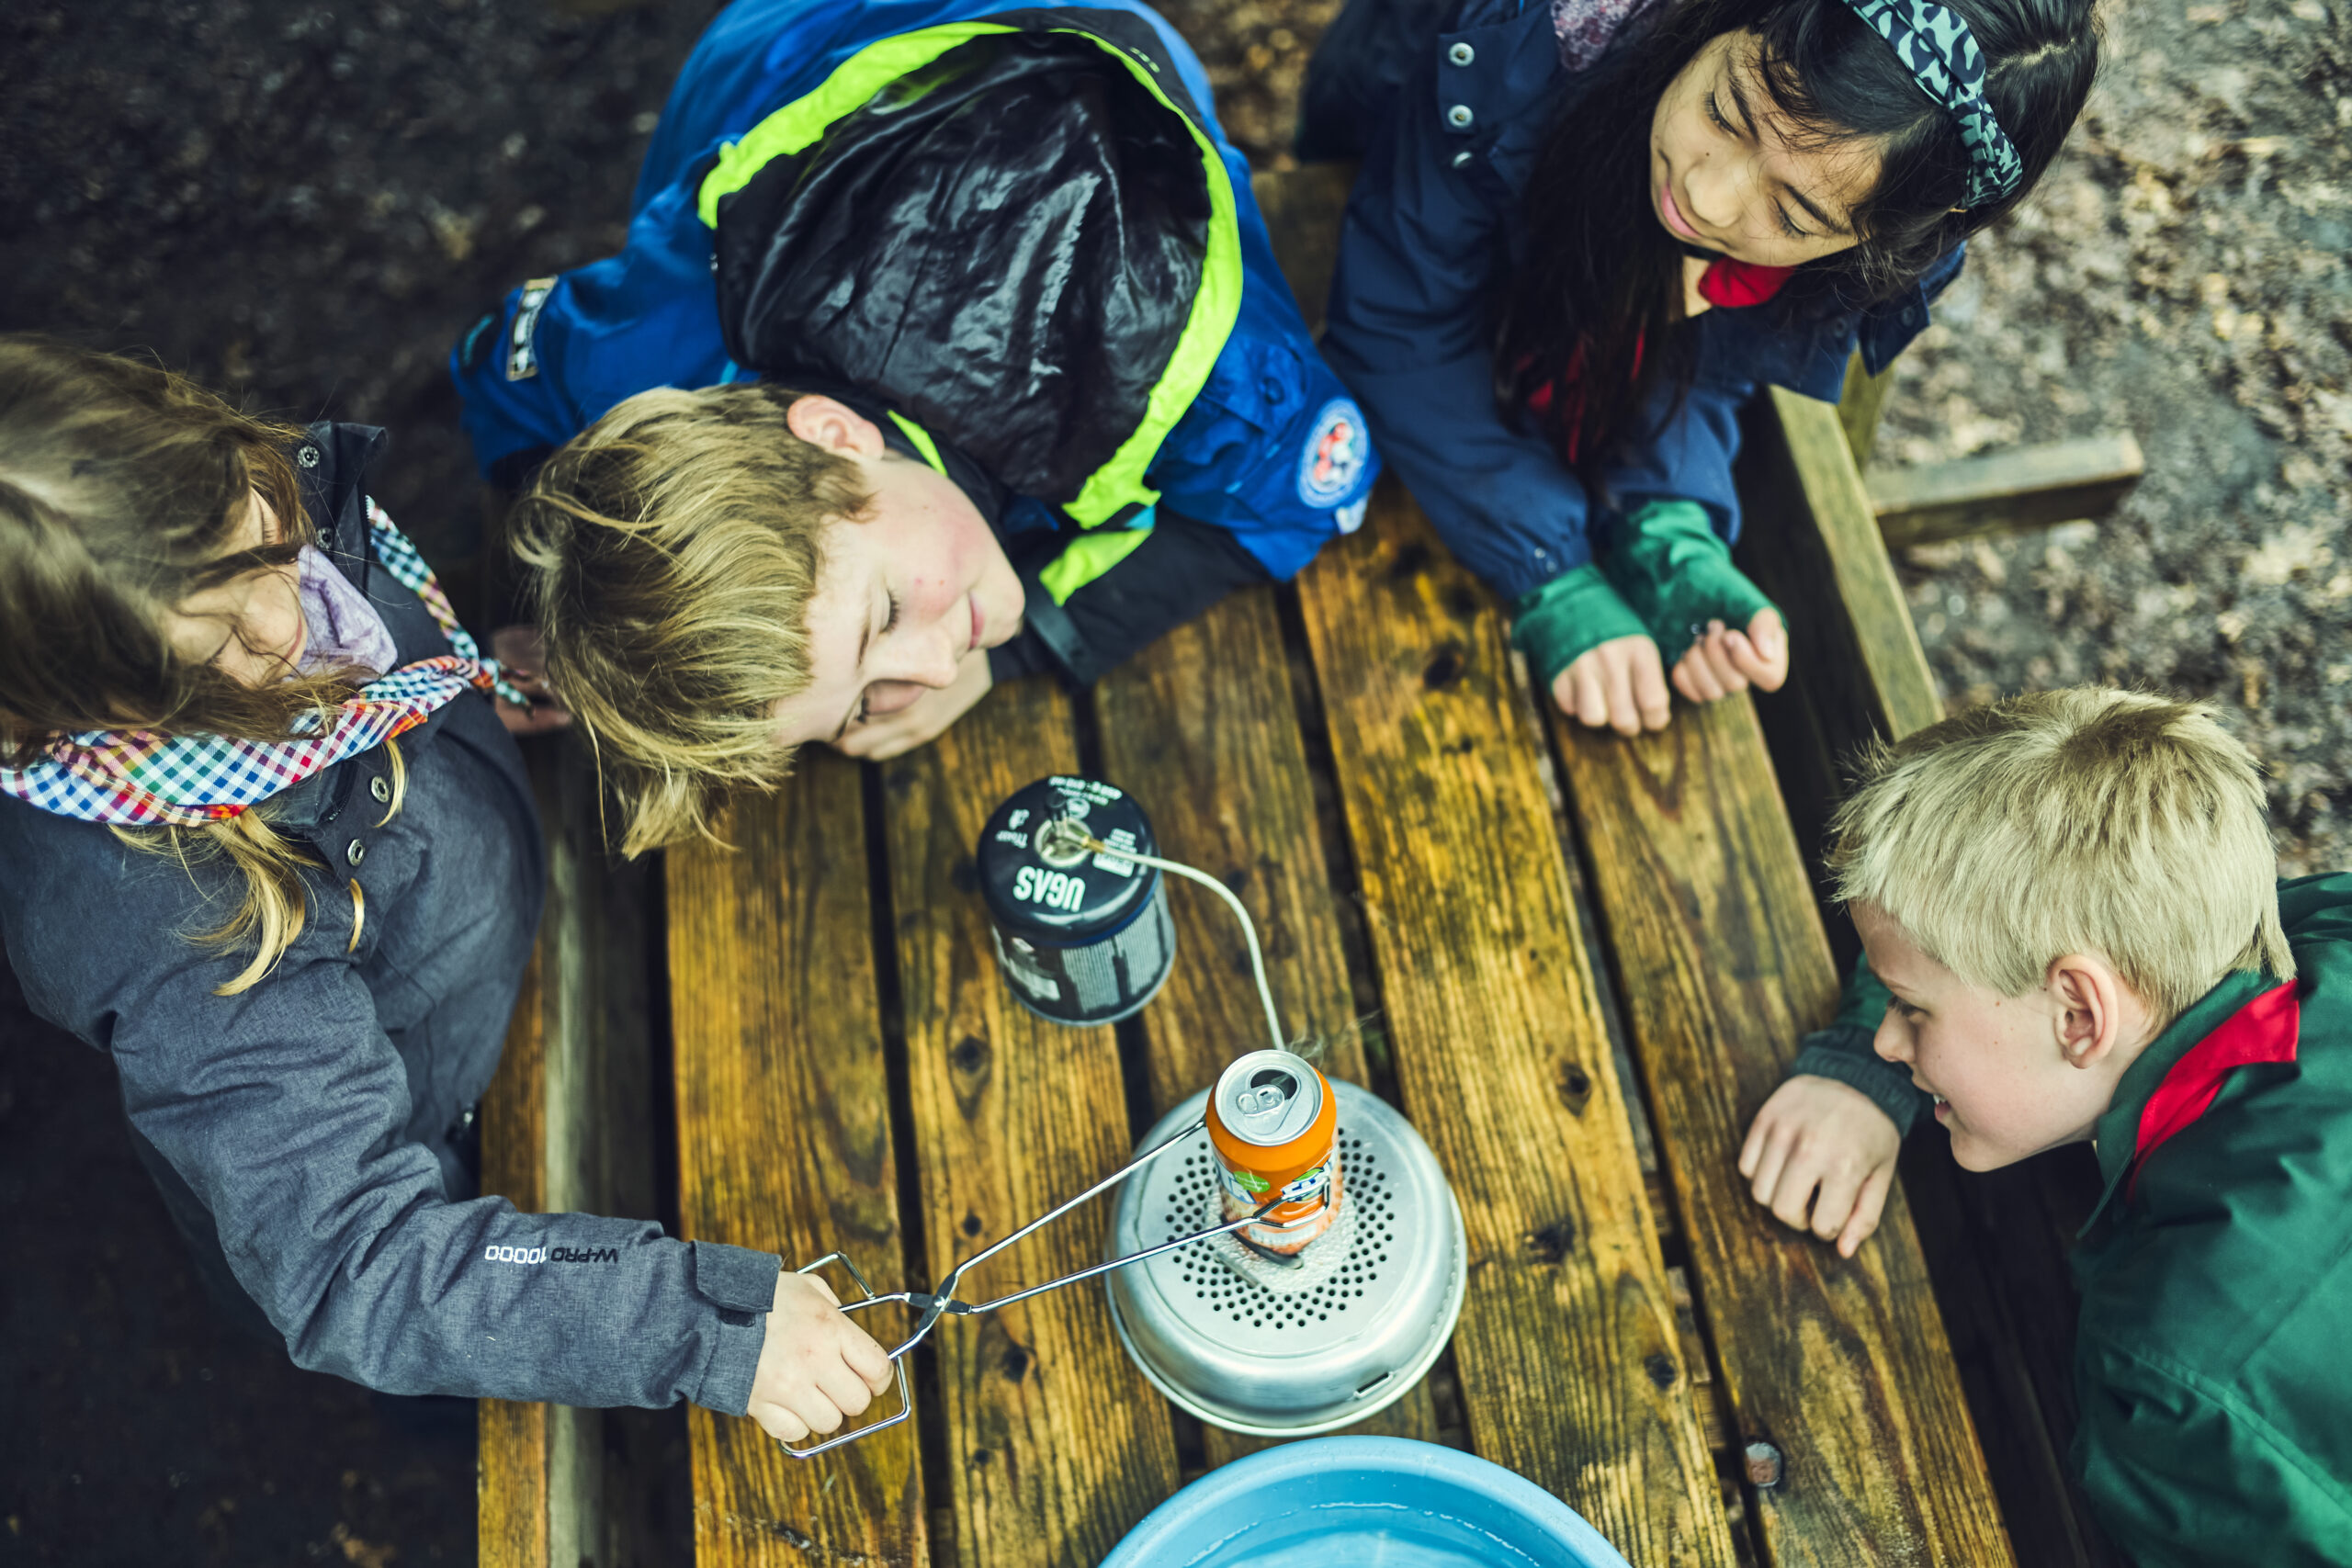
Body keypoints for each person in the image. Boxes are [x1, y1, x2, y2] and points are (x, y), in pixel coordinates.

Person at [0, 338, 892, 1448]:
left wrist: (471, 680)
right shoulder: (186, 923)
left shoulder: (225, 539)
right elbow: (354, 1264)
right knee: (451, 1396)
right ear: (57, 720)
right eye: (212, 652)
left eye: (263, 540)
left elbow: (360, 633)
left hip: (469, 949)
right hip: (432, 1164)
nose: (287, 629)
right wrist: (700, 1325)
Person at [449, 0, 1379, 841]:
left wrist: (1037, 639)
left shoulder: (1211, 376)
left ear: (836, 436)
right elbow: (503, 362)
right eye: (861, 704)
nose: (932, 673)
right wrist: (583, 609)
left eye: (883, 616)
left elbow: (1298, 500)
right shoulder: (625, 366)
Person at [1307, 0, 2097, 735]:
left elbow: (1710, 356)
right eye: (1727, 112)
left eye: (1794, 214)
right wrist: (1547, 561)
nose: (1707, 197)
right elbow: (1402, 320)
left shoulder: (1887, 235)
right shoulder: (1514, 56)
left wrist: (1667, 520)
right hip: (1405, 103)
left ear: (1882, 243)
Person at [1737, 687, 2352, 1565]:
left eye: (1910, 1011)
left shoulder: (2171, 1387)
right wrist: (1870, 1070)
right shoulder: (2313, 926)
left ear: (2077, 1014)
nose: (1886, 1037)